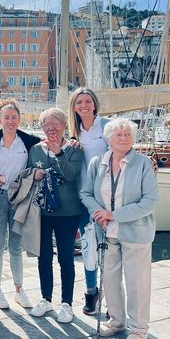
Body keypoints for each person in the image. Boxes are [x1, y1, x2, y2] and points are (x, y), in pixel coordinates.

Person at [81, 118, 159, 339]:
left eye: (127, 135)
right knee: (109, 280)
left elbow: (150, 201)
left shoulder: (143, 163)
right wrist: (99, 212)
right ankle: (116, 321)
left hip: (136, 233)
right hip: (105, 232)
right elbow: (86, 193)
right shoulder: (98, 163)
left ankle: (138, 329)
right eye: (119, 134)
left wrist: (112, 215)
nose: (123, 138)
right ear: (109, 138)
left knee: (137, 283)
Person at [0, 99, 38, 309]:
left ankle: (19, 289)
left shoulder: (29, 142)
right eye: (6, 117)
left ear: (19, 119)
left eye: (14, 117)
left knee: (15, 246)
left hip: (19, 198)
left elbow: (49, 148)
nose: (10, 121)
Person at [28, 108, 83, 324]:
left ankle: (66, 303)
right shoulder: (35, 150)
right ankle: (45, 298)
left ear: (64, 126)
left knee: (66, 258)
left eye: (56, 124)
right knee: (43, 257)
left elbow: (71, 175)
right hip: (42, 212)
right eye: (46, 125)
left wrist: (58, 152)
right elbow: (29, 173)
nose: (51, 128)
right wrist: (34, 173)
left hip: (68, 212)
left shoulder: (74, 150)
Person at [68, 87, 110, 314]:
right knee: (88, 247)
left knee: (111, 249)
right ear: (74, 107)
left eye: (87, 101)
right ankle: (91, 292)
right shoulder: (73, 132)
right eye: (79, 102)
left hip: (106, 199)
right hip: (82, 199)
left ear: (94, 104)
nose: (83, 105)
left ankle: (112, 296)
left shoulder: (106, 127)